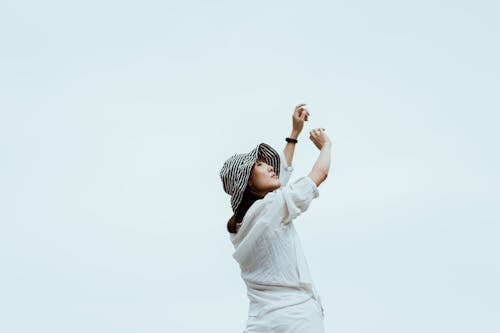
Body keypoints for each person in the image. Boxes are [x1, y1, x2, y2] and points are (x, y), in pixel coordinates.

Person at [219, 103, 332, 333]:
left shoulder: (238, 227)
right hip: (297, 317)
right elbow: (318, 175)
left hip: (261, 322)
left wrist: (294, 134)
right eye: (260, 165)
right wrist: (326, 146)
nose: (270, 167)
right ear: (249, 183)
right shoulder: (272, 206)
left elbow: (279, 176)